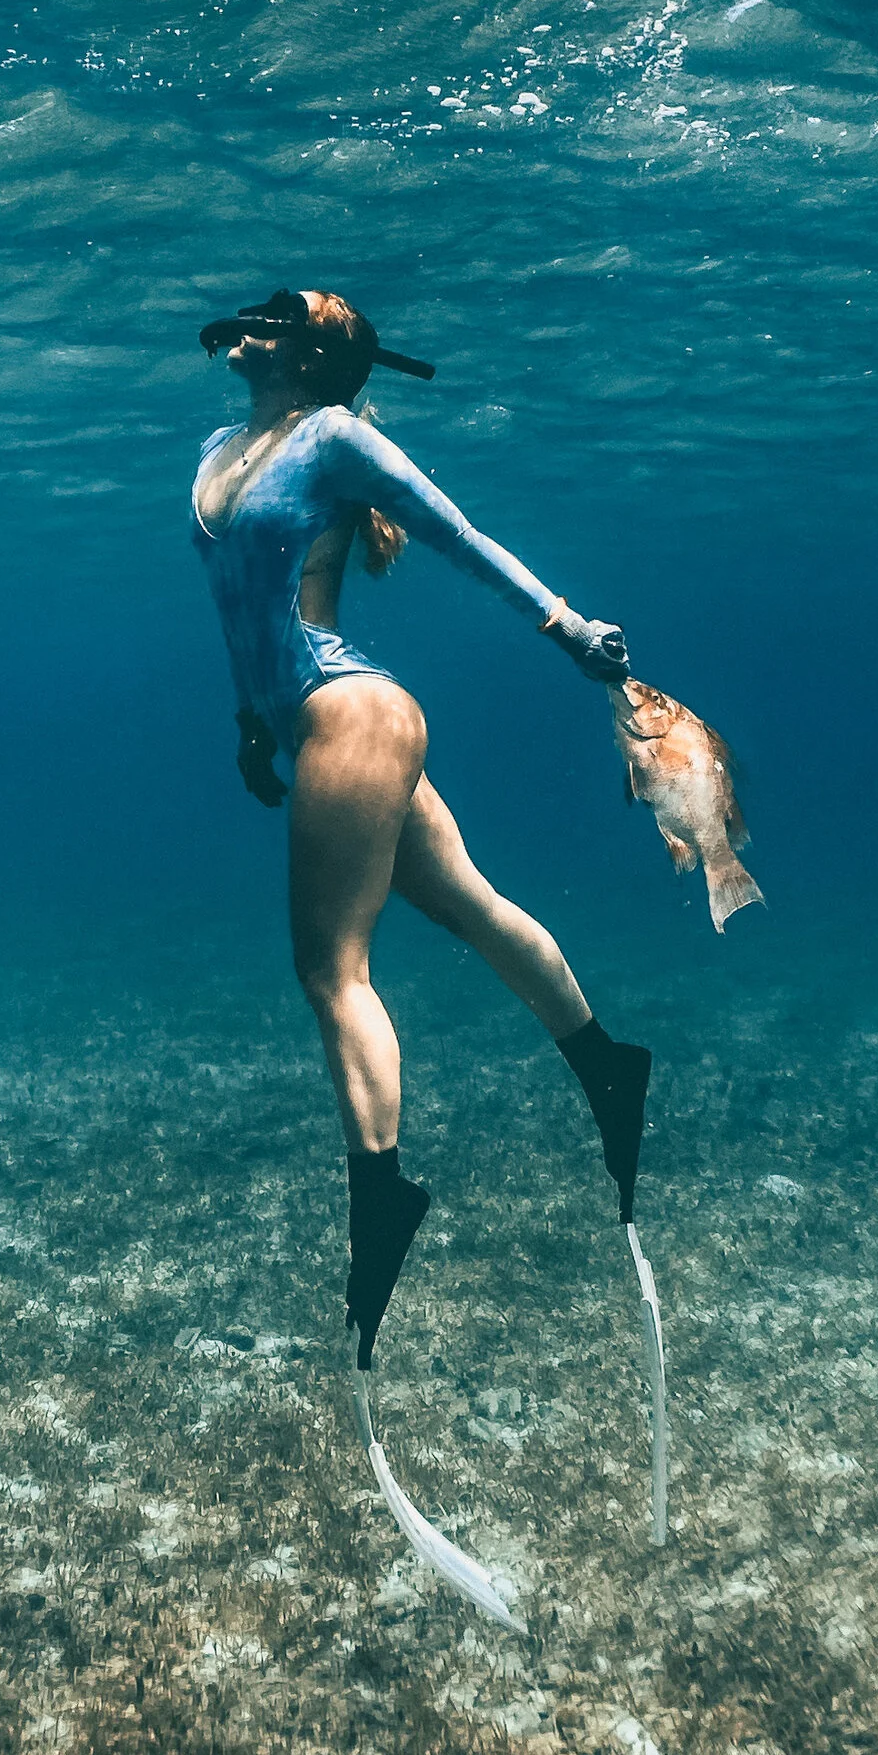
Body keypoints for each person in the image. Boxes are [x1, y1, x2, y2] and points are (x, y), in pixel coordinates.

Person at [191, 287, 651, 1368]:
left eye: (277, 310)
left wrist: (570, 631)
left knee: (330, 971)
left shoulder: (335, 439)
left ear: (312, 352)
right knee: (468, 905)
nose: (249, 318)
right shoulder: (217, 446)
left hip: (351, 711)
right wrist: (251, 728)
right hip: (308, 721)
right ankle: (607, 1063)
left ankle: (382, 1192)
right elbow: (237, 608)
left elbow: (460, 536)